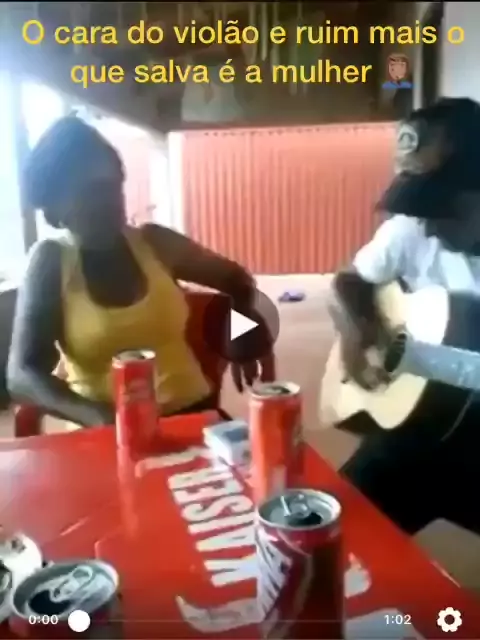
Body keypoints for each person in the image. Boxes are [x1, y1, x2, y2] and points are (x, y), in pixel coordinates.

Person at [7, 116, 275, 428]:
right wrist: (97, 416)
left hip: (191, 416)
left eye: (114, 186)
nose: (111, 202)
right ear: (54, 211)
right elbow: (22, 374)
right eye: (92, 192)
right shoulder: (51, 262)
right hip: (104, 433)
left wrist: (241, 333)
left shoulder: (155, 243)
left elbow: (236, 279)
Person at [331, 97, 480, 536]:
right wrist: (357, 334)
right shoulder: (409, 229)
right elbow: (349, 283)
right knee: (336, 537)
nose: (427, 225)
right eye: (418, 206)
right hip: (417, 426)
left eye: (442, 207)